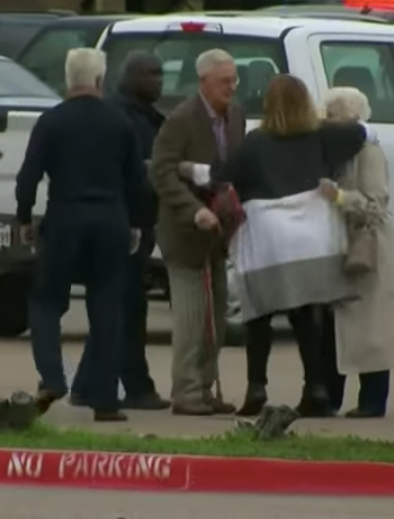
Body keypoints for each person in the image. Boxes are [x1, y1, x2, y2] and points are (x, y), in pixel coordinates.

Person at [179, 74, 375, 417]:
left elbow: (221, 175)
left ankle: (257, 387)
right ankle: (315, 387)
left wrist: (186, 168)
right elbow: (365, 134)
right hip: (314, 237)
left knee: (259, 315)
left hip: (267, 236)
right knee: (307, 313)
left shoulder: (256, 142)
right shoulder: (323, 136)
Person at [15, 48, 151, 422]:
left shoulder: (51, 121)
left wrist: (24, 216)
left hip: (65, 220)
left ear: (67, 79)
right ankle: (106, 400)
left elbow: (28, 176)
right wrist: (136, 224)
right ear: (99, 80)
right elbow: (136, 182)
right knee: (107, 307)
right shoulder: (120, 122)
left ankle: (53, 377)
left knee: (46, 301)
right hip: (111, 222)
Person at [69, 50, 170, 411]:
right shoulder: (118, 116)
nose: (158, 80)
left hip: (131, 224)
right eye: (150, 74)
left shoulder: (146, 117)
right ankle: (137, 387)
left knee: (115, 307)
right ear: (128, 77)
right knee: (128, 310)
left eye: (160, 74)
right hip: (120, 226)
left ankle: (85, 385)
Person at [149, 49, 245, 416]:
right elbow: (161, 172)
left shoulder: (235, 117)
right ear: (203, 81)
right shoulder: (181, 120)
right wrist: (194, 211)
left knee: (215, 318)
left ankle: (205, 388)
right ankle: (185, 391)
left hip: (219, 234)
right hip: (185, 235)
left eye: (234, 80)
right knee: (191, 319)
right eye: (225, 81)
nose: (231, 87)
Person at [318, 87, 394, 418]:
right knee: (335, 328)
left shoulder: (368, 152)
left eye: (335, 116)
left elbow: (375, 205)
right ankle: (331, 397)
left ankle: (373, 401)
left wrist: (339, 197)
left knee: (372, 329)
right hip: (337, 245)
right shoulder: (330, 152)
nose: (329, 123)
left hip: (368, 246)